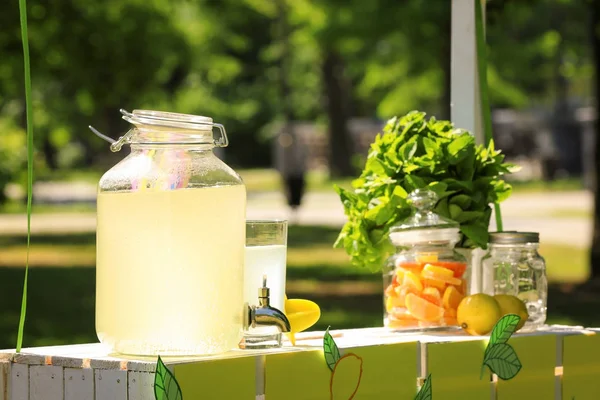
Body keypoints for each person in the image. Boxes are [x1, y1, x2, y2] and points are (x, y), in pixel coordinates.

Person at [274, 125, 308, 223]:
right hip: (289, 173)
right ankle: (293, 210)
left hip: (297, 172)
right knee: (289, 191)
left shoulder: (299, 147)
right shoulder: (283, 149)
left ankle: (296, 209)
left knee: (298, 191)